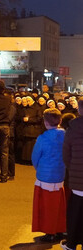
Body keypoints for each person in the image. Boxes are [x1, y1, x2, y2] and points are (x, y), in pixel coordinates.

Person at [32, 108, 66, 242]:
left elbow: (35, 157)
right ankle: (59, 229)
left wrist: (38, 169)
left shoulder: (42, 138)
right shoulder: (65, 135)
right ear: (60, 121)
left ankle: (49, 232)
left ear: (45, 122)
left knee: (46, 207)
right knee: (58, 205)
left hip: (45, 176)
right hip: (60, 174)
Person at [61, 97, 83, 250]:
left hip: (77, 176)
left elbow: (66, 153)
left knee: (75, 212)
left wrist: (72, 168)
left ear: (79, 110)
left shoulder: (72, 127)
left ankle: (72, 243)